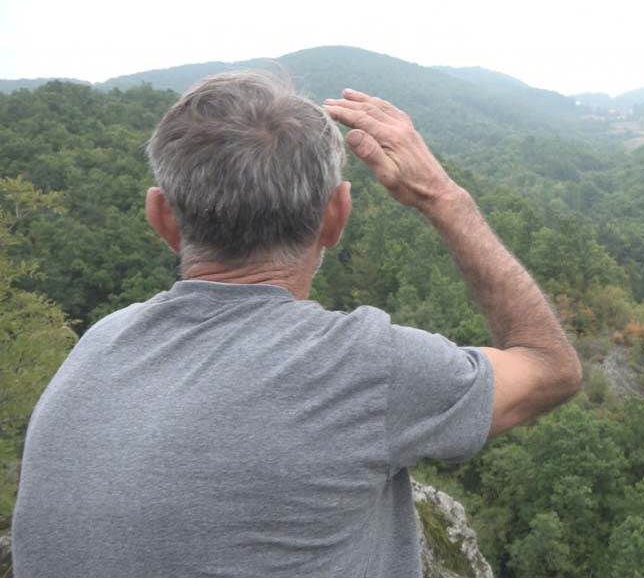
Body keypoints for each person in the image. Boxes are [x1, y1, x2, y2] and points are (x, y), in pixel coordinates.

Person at [12, 70, 582, 577]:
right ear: (336, 215)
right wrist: (444, 196)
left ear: (162, 216)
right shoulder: (364, 366)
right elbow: (549, 365)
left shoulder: (100, 342)